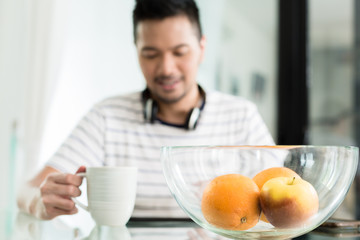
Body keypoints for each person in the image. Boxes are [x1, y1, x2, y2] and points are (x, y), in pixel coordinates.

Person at [17, 0, 274, 220]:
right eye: (151, 54)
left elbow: (281, 202)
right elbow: (26, 190)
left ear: (202, 49)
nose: (166, 69)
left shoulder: (241, 116)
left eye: (179, 52)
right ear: (137, 52)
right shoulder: (107, 116)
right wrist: (39, 201)